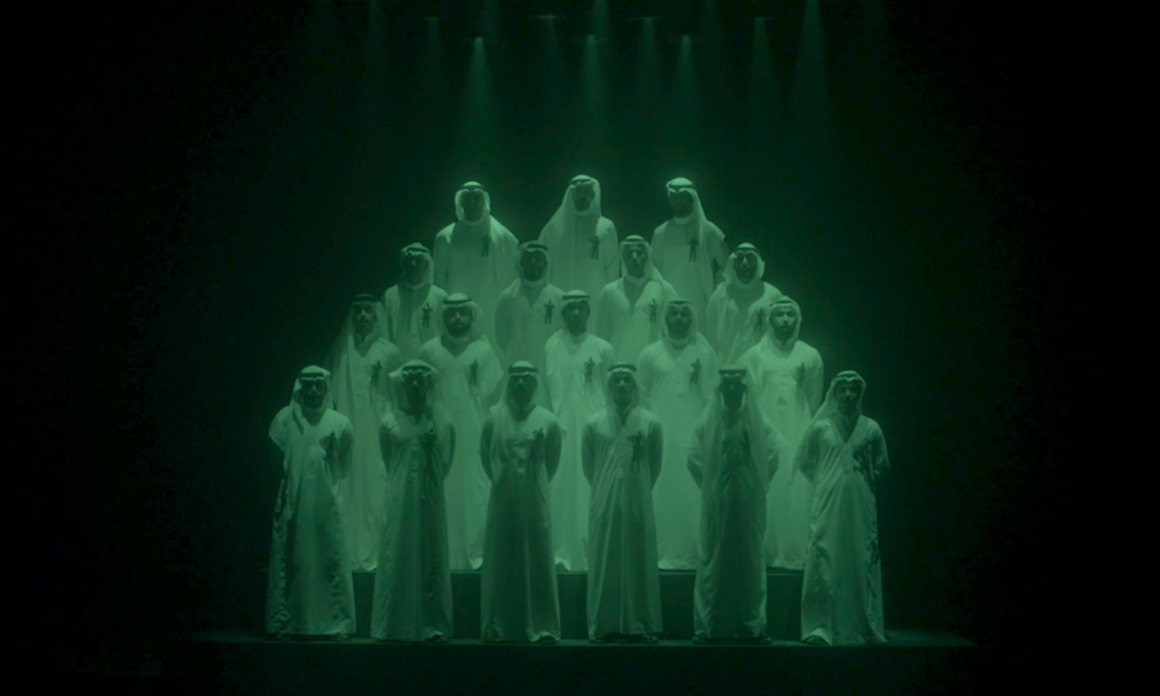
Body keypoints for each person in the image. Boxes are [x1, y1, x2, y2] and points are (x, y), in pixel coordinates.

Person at [688, 367, 786, 644]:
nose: (731, 389)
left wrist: (757, 488)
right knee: (712, 561)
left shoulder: (756, 418)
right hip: (716, 507)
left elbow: (774, 457)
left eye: (736, 384)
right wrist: (710, 489)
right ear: (720, 388)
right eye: (727, 384)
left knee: (751, 561)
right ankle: (708, 627)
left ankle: (753, 627)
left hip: (748, 507)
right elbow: (692, 458)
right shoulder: (709, 418)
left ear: (744, 388)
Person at [796, 371, 890, 646]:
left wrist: (860, 480)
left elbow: (882, 467)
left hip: (861, 504)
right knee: (824, 556)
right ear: (835, 394)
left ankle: (864, 627)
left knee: (861, 557)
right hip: (827, 503)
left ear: (860, 393)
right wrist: (826, 482)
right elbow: (805, 462)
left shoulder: (871, 428)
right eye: (843, 390)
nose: (848, 395)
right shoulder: (820, 428)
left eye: (853, 390)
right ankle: (819, 627)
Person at [265, 366, 356, 640]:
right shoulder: (284, 419)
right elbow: (277, 457)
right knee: (292, 558)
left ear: (326, 388)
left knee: (329, 558)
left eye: (318, 385)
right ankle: (288, 622)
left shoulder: (340, 423)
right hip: (294, 502)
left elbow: (344, 464)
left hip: (327, 505)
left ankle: (335, 623)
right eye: (308, 385)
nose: (314, 391)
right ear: (300, 387)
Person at [371, 360, 456, 642]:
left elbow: (446, 462)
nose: (416, 385)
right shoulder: (389, 423)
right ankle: (396, 623)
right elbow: (389, 460)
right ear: (403, 385)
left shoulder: (443, 422)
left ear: (429, 384)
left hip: (430, 499)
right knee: (398, 553)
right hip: (399, 500)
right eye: (411, 381)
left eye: (421, 380)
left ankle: (431, 623)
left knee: (430, 553)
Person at [417, 293, 503, 570]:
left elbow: (492, 394)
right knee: (442, 491)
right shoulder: (429, 351)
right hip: (438, 434)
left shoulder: (483, 351)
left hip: (473, 434)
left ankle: (475, 554)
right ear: (443, 317)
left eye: (463, 313)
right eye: (451, 313)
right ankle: (442, 554)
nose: (457, 318)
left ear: (472, 316)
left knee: (474, 493)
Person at [479, 362, 564, 643]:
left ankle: (539, 623)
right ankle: (501, 624)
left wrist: (534, 484)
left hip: (535, 500)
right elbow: (486, 458)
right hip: (503, 499)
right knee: (503, 555)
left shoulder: (549, 420)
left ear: (534, 384)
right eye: (516, 379)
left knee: (536, 554)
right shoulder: (493, 418)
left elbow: (552, 461)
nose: (520, 384)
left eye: (526, 379)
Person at [741, 295, 824, 571]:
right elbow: (749, 402)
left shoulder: (810, 355)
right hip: (765, 436)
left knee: (797, 493)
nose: (785, 320)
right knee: (767, 493)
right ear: (770, 319)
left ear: (798, 320)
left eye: (790, 315)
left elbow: (814, 400)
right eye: (780, 314)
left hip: (798, 432)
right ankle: (764, 554)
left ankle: (797, 554)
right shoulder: (753, 356)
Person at [583, 363, 664, 643]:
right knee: (605, 561)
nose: (621, 385)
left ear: (634, 385)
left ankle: (641, 625)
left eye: (626, 380)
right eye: (616, 380)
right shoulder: (593, 423)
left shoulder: (651, 422)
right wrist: (606, 489)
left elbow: (655, 464)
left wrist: (636, 489)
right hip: (604, 503)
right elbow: (589, 466)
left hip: (638, 503)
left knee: (639, 559)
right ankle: (601, 626)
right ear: (608, 385)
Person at [636, 299, 719, 570]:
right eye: (674, 313)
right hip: (660, 435)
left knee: (693, 492)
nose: (679, 318)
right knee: (660, 490)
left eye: (685, 313)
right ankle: (659, 552)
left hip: (694, 436)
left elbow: (712, 398)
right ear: (665, 317)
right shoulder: (649, 353)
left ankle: (694, 552)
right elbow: (642, 396)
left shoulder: (705, 353)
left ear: (691, 318)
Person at [324, 294, 402, 573]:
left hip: (377, 434)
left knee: (376, 487)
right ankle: (347, 554)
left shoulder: (390, 352)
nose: (362, 316)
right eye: (358, 311)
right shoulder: (341, 353)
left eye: (368, 311)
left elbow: (398, 399)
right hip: (348, 433)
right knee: (348, 488)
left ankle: (378, 555)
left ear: (377, 314)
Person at [542, 290, 615, 571]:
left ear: (588, 312)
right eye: (570, 308)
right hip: (561, 429)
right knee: (561, 487)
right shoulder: (551, 346)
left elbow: (609, 392)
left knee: (591, 486)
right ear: (562, 312)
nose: (575, 313)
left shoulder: (603, 348)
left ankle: (594, 549)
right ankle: (560, 549)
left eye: (580, 308)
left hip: (593, 428)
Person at [432, 181, 520, 344]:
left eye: (476, 198)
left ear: (484, 200)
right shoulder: (445, 237)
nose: (471, 202)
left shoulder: (503, 237)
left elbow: (510, 280)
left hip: (491, 306)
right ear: (460, 201)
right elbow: (439, 278)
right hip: (455, 309)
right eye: (467, 198)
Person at [650, 178, 729, 323]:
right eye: (674, 197)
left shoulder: (709, 230)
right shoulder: (660, 233)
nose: (679, 201)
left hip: (701, 303)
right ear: (669, 200)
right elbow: (655, 269)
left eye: (683, 196)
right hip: (669, 303)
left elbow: (728, 265)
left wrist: (716, 290)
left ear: (692, 198)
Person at [495, 241, 565, 399]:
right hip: (516, 363)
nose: (533, 262)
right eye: (528, 258)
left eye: (537, 258)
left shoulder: (558, 297)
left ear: (545, 262)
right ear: (520, 262)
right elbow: (502, 338)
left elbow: (562, 336)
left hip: (548, 366)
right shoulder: (508, 297)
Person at [537, 175, 621, 305]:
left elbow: (612, 266)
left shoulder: (605, 227)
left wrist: (611, 298)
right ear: (571, 193)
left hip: (595, 293)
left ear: (593, 194)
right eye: (578, 191)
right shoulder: (554, 228)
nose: (582, 196)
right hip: (561, 291)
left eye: (587, 191)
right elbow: (541, 261)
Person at [595, 235, 678, 363]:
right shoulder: (610, 291)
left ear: (647, 256)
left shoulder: (663, 289)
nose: (634, 257)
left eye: (639, 253)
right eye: (629, 254)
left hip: (654, 364)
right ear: (622, 257)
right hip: (620, 366)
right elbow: (602, 336)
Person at [703, 242, 783, 365]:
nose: (745, 264)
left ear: (757, 263)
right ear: (733, 263)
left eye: (750, 259)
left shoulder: (772, 295)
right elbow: (711, 334)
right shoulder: (719, 296)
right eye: (740, 259)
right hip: (727, 367)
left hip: (762, 367)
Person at [383, 242, 448, 363]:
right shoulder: (390, 296)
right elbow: (384, 332)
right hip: (397, 363)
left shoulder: (439, 296)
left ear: (426, 264)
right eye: (409, 260)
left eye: (418, 261)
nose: (413, 264)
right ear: (403, 264)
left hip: (431, 363)